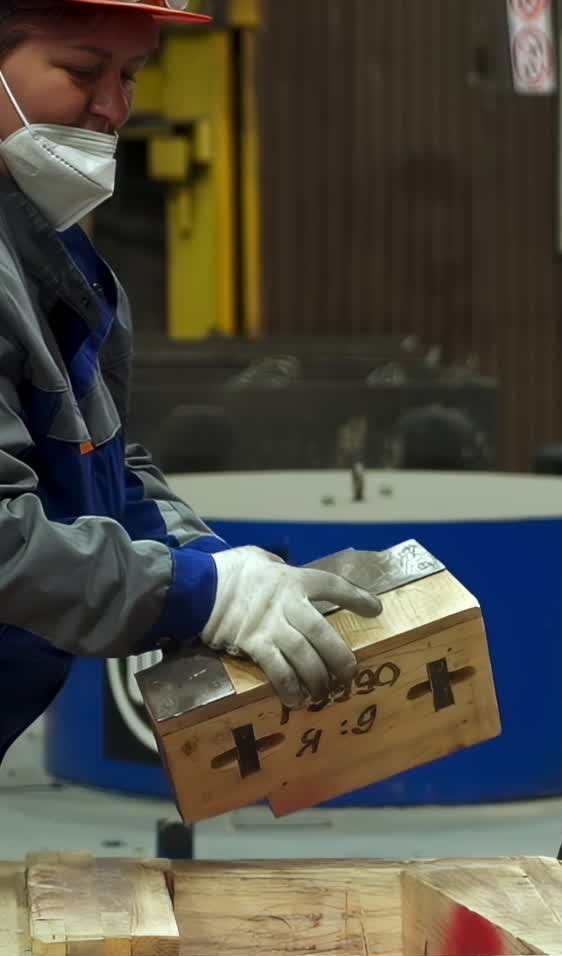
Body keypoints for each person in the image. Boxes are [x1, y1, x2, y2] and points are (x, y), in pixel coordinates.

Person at [0, 0, 381, 762]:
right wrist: (199, 594)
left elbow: (95, 470)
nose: (113, 107)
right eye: (81, 71)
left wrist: (221, 572)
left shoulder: (50, 256)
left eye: (131, 76)